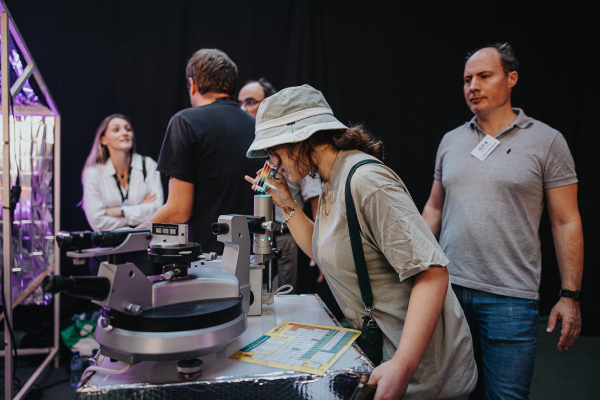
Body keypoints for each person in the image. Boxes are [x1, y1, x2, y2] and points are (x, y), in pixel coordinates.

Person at [245, 85, 477, 400]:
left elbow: (432, 272)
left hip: (424, 376)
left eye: (273, 150)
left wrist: (403, 365)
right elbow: (323, 251)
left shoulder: (366, 181)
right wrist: (285, 202)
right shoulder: (332, 179)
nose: (272, 161)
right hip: (386, 360)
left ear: (300, 139)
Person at [422, 43, 584, 399]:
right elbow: (434, 208)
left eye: (483, 76)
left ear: (511, 78)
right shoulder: (451, 141)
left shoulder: (546, 141)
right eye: (467, 79)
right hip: (449, 292)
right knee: (448, 393)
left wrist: (570, 295)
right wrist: (414, 269)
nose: (472, 86)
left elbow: (566, 220)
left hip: (510, 299)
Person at [146, 49, 263, 253]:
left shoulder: (185, 122)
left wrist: (132, 237)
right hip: (259, 259)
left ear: (192, 84)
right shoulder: (257, 127)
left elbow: (178, 211)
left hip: (210, 265)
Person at [239, 78, 321, 292]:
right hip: (257, 234)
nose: (242, 109)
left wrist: (320, 247)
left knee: (283, 291)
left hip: (286, 232)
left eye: (250, 102)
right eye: (239, 103)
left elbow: (315, 196)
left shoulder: (295, 148)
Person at [81, 114, 163, 274]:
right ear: (103, 139)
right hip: (106, 251)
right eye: (116, 130)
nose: (125, 133)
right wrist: (140, 209)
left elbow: (157, 212)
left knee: (144, 298)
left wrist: (118, 211)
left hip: (143, 251)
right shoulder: (93, 173)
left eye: (128, 129)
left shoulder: (149, 165)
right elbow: (97, 222)